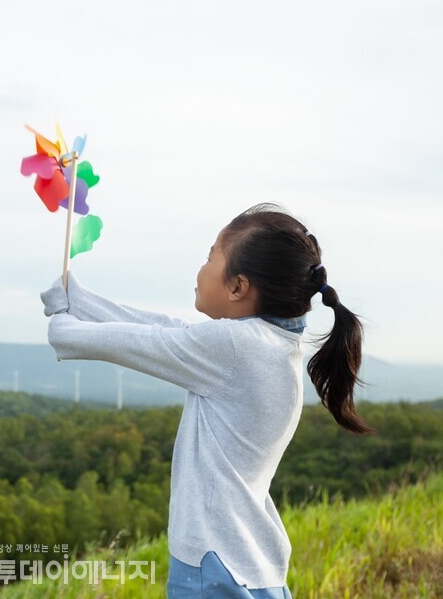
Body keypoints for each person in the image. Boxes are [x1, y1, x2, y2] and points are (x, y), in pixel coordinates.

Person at [40, 203, 372, 598]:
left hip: (213, 570)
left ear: (238, 287)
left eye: (210, 256)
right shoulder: (272, 345)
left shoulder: (235, 347)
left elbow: (131, 342)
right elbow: (168, 331)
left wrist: (63, 321)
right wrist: (78, 299)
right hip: (250, 564)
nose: (200, 269)